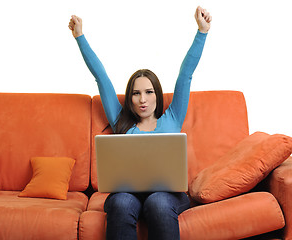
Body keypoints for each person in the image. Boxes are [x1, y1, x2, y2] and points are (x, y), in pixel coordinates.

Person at [69, 6, 212, 240]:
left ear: (157, 94)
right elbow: (101, 77)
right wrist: (79, 37)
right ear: (130, 98)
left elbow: (185, 74)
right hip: (128, 193)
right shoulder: (120, 122)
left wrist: (202, 32)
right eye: (136, 94)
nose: (142, 99)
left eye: (148, 92)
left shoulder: (173, 118)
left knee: (157, 202)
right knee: (122, 202)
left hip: (166, 196)